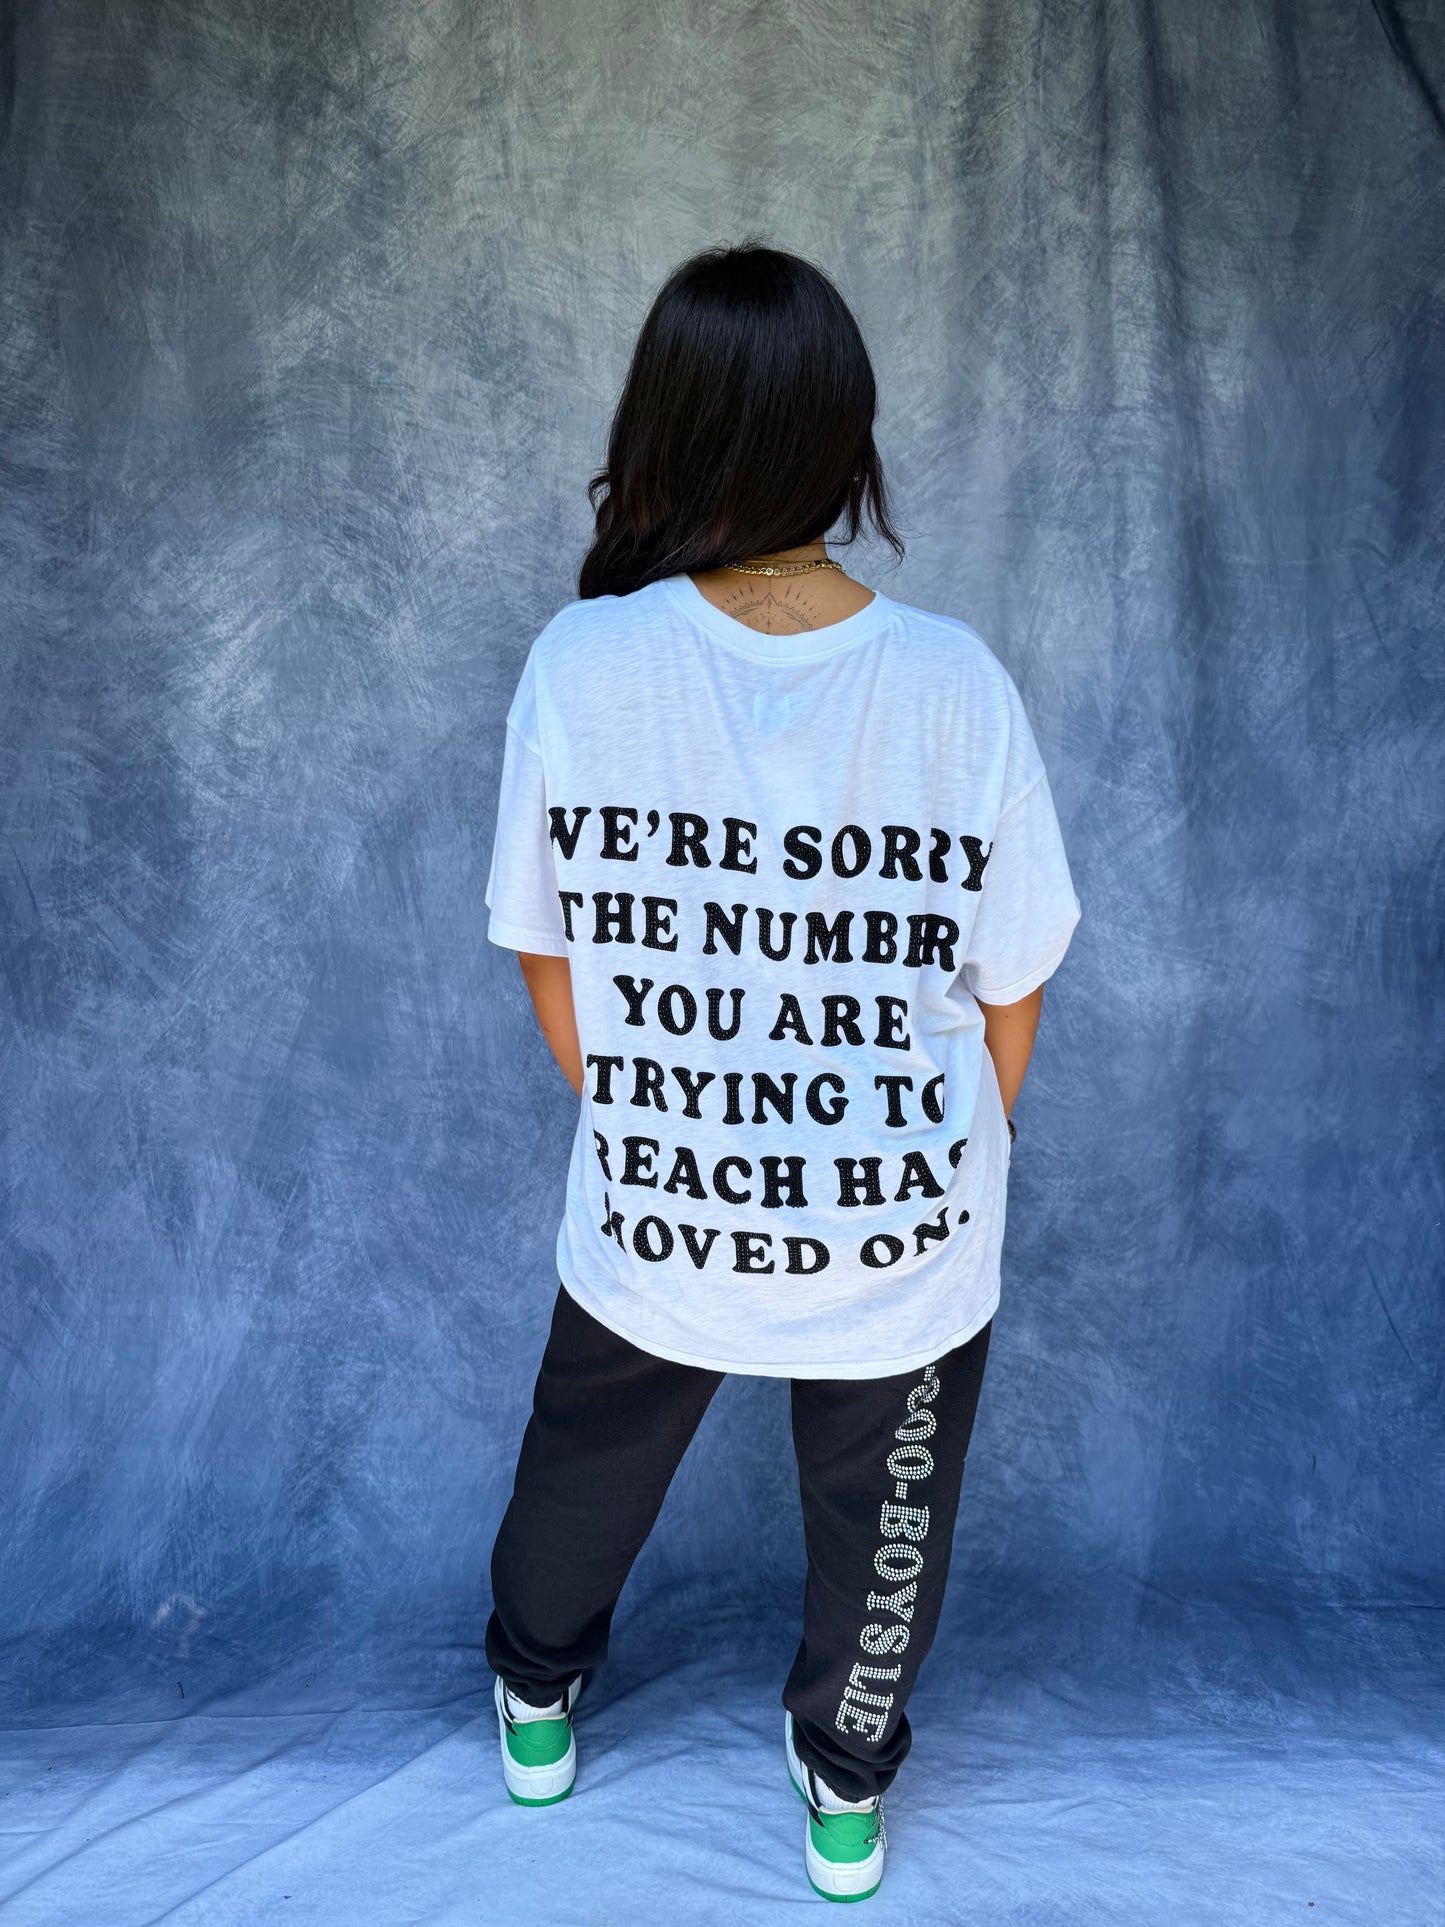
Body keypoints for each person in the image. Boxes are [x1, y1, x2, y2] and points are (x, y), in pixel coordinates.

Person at [482, 240, 1082, 1903]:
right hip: (901, 1213)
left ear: (657, 431)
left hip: (660, 1193)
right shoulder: (955, 682)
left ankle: (534, 1700)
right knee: (885, 1517)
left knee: (584, 1461)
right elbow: (1013, 978)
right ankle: (844, 1793)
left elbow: (544, 948)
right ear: (845, 436)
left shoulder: (580, 664)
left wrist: (651, 1113)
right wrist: (952, 1146)